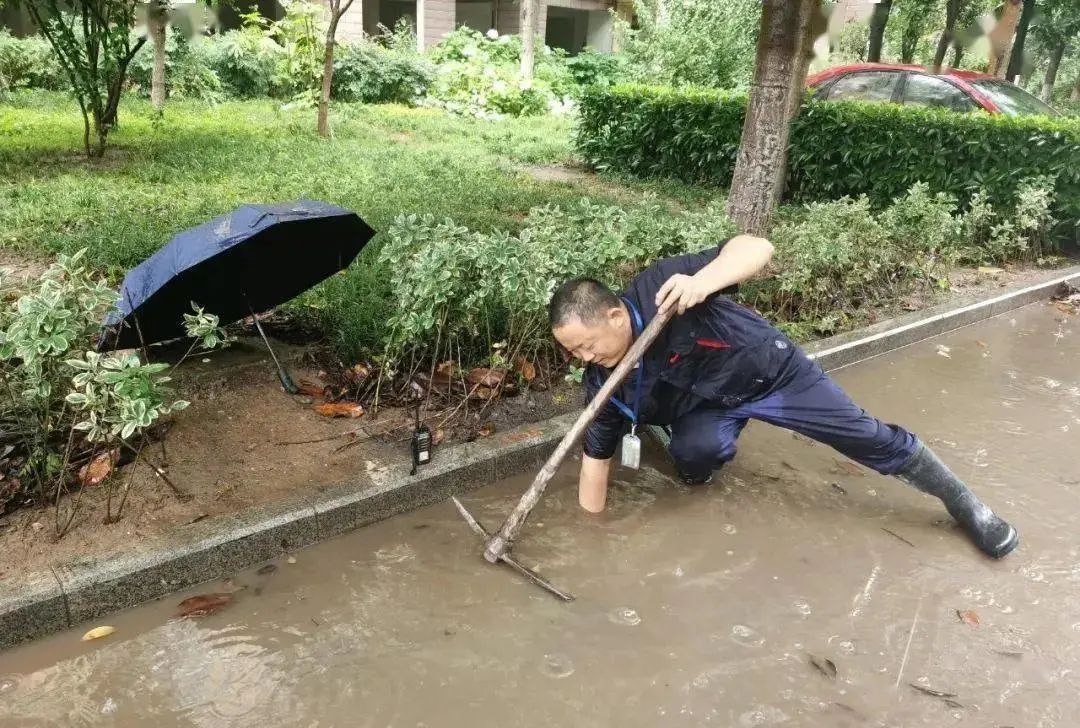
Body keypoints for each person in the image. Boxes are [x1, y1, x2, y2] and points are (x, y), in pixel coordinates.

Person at [549, 236, 1018, 559]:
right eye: (572, 352)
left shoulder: (662, 287)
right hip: (709, 405)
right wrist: (595, 537)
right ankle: (680, 441)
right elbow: (596, 460)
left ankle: (965, 504)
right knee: (693, 459)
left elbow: (756, 247)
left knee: (866, 435)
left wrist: (704, 281)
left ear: (614, 316)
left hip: (772, 374)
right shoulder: (602, 383)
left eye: (585, 345)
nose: (582, 357)